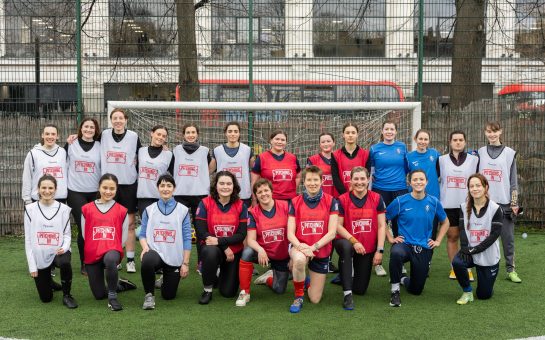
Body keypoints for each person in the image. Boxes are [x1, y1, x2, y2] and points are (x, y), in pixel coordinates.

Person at [386, 169, 449, 307]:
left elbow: (445, 222)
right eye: (415, 179)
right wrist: (390, 238)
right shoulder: (400, 201)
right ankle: (395, 290)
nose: (418, 182)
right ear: (409, 182)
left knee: (416, 290)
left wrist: (438, 240)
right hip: (404, 244)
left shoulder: (434, 202)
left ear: (427, 182)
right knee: (396, 253)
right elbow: (383, 218)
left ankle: (402, 279)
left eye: (421, 179)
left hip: (423, 246)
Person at [287, 165, 338, 313]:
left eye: (316, 180)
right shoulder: (295, 202)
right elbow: (290, 233)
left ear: (322, 181)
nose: (312, 183)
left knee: (315, 299)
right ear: (304, 181)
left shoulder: (331, 201)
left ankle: (305, 281)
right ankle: (298, 297)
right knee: (300, 260)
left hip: (319, 249)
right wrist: (302, 248)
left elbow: (332, 233)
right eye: (309, 180)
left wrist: (313, 248)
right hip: (300, 246)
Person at [334, 166, 387, 310]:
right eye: (356, 179)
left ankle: (345, 276)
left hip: (367, 247)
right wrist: (354, 241)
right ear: (350, 181)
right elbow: (337, 226)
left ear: (368, 179)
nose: (359, 182)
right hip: (347, 242)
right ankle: (347, 294)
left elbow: (382, 225)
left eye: (362, 178)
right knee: (346, 248)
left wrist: (379, 250)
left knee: (360, 289)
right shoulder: (342, 199)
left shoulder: (376, 198)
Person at [82, 173, 136, 311]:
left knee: (111, 258)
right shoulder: (86, 209)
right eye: (105, 187)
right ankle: (119, 285)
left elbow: (123, 238)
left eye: (112, 188)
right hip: (92, 252)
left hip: (112, 251)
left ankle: (112, 297)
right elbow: (84, 234)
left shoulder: (122, 210)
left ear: (116, 189)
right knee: (99, 295)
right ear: (99, 188)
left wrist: (112, 248)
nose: (108, 191)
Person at [477, 121, 522, 283]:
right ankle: (483, 267)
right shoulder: (480, 153)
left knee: (507, 239)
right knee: (484, 238)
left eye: (495, 131)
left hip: (504, 204)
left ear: (500, 132)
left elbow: (513, 181)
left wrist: (514, 203)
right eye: (489, 131)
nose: (492, 134)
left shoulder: (510, 153)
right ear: (485, 133)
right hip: (485, 204)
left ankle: (511, 269)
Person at [24, 174, 77, 309]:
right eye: (44, 188)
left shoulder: (64, 209)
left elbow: (67, 235)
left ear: (55, 189)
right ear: (38, 189)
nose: (47, 191)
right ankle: (49, 282)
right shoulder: (30, 210)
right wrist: (32, 266)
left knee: (64, 262)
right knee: (46, 298)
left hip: (57, 252)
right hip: (40, 254)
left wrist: (64, 248)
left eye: (50, 188)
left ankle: (67, 295)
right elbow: (29, 240)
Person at [139, 174, 192, 310]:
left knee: (168, 295)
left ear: (174, 188)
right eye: (162, 185)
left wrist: (185, 263)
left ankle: (164, 279)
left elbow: (187, 238)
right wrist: (145, 247)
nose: (165, 189)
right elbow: (142, 234)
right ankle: (149, 295)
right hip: (155, 252)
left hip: (174, 257)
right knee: (147, 259)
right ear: (158, 188)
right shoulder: (149, 210)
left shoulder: (183, 210)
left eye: (169, 185)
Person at [195, 171, 248, 304]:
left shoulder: (241, 205)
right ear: (215, 185)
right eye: (222, 183)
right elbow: (201, 231)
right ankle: (207, 290)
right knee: (210, 251)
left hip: (234, 252)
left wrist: (219, 240)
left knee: (228, 293)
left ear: (234, 186)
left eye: (229, 183)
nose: (225, 187)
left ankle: (217, 274)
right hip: (214, 248)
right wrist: (224, 246)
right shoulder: (205, 203)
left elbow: (241, 235)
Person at [235, 178, 290, 307]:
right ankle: (244, 292)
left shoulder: (286, 206)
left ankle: (268, 279)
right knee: (248, 251)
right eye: (259, 192)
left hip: (281, 254)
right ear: (256, 195)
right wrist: (260, 250)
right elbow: (251, 240)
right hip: (263, 252)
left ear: (272, 191)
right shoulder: (252, 213)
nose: (263, 194)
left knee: (279, 290)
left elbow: (294, 232)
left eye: (266, 190)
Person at [100, 108, 142, 273]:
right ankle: (115, 257)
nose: (118, 121)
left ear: (126, 120)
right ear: (111, 120)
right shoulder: (103, 135)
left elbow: (143, 154)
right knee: (112, 224)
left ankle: (130, 259)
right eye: (114, 118)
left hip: (129, 184)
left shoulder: (133, 136)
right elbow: (86, 139)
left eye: (121, 118)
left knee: (130, 224)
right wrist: (73, 138)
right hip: (109, 185)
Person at [452, 174, 503, 304]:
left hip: (487, 255)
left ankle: (486, 281)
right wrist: (464, 248)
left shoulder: (496, 209)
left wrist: (475, 249)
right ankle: (467, 292)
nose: (475, 189)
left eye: (478, 185)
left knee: (483, 295)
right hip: (470, 251)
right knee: (457, 262)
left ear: (486, 187)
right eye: (471, 186)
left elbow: (494, 235)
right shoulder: (464, 207)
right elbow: (462, 229)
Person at [170, 123, 213, 274]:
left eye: (193, 132)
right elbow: (171, 169)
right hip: (180, 193)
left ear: (197, 134)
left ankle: (201, 262)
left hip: (200, 194)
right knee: (179, 229)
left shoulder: (205, 151)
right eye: (187, 132)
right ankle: (177, 260)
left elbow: (209, 168)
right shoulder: (176, 150)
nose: (190, 135)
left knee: (201, 230)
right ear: (183, 134)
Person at [368, 120, 408, 276]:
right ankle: (377, 262)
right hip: (380, 190)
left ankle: (400, 261)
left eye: (392, 129)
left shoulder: (402, 147)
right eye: (386, 129)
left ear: (396, 131)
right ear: (382, 131)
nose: (389, 131)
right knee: (380, 225)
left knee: (400, 225)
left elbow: (406, 168)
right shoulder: (374, 149)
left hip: (400, 190)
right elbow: (370, 171)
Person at [439, 130, 479, 280]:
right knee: (452, 236)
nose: (457, 142)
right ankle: (454, 267)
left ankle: (467, 268)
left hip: (467, 205)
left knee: (468, 237)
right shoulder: (441, 160)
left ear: (465, 142)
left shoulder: (474, 160)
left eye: (460, 140)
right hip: (448, 205)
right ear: (450, 142)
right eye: (454, 139)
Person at [65, 118, 101, 276]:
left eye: (92, 127)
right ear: (81, 128)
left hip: (95, 192)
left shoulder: (101, 146)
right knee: (83, 227)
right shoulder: (71, 144)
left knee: (94, 228)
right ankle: (85, 263)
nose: (88, 129)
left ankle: (96, 259)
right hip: (75, 191)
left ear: (96, 130)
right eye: (86, 126)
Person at [308, 132, 339, 273]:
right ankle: (312, 256)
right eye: (323, 142)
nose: (326, 144)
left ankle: (328, 260)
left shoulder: (339, 158)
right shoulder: (313, 159)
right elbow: (308, 179)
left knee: (332, 230)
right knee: (318, 228)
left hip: (335, 199)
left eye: (328, 141)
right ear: (319, 144)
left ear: (333, 143)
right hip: (319, 200)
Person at [251, 130, 301, 204]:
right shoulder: (261, 158)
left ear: (286, 142)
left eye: (283, 140)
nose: (279, 142)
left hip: (290, 201)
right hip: (269, 201)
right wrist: (254, 200)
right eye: (277, 139)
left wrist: (290, 190)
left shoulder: (293, 158)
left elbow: (298, 176)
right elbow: (254, 182)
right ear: (271, 140)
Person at [211, 121, 255, 207]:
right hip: (223, 194)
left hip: (243, 194)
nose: (233, 134)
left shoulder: (247, 150)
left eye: (235, 131)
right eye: (230, 131)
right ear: (225, 133)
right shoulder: (217, 151)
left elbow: (255, 171)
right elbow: (209, 170)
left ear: (239, 133)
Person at [22, 124, 67, 204]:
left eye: (53, 134)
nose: (50, 137)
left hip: (59, 198)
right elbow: (27, 177)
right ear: (42, 135)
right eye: (47, 134)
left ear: (57, 136)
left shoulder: (63, 152)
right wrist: (27, 199)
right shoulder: (33, 153)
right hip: (39, 198)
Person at [137, 125, 173, 214]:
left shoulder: (169, 155)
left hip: (160, 197)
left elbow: (175, 176)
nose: (160, 137)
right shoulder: (140, 151)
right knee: (146, 225)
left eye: (163, 136)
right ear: (152, 133)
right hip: (143, 196)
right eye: (158, 134)